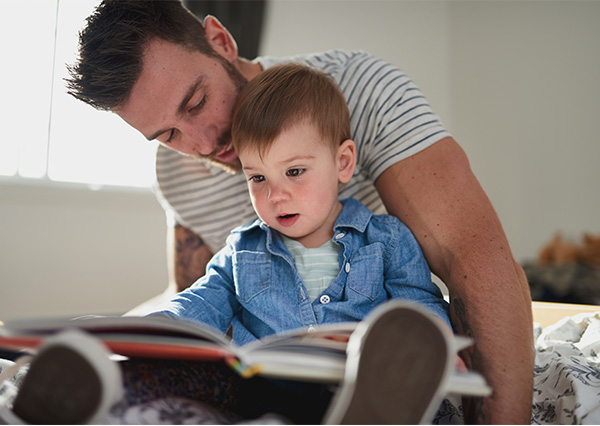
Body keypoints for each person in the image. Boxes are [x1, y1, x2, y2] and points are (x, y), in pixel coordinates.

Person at [65, 1, 533, 423]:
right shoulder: (181, 182)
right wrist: (115, 336)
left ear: (222, 42)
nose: (203, 144)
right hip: (267, 383)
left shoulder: (357, 94)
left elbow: (474, 262)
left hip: (369, 371)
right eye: (168, 134)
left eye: (197, 102)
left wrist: (438, 352)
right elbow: (193, 299)